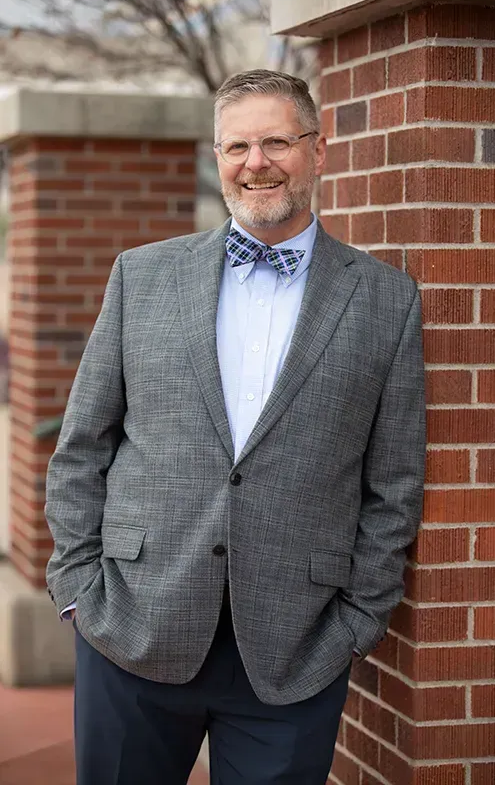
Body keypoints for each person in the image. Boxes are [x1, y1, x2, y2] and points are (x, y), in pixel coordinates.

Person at [45, 69, 426, 785]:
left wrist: (357, 620)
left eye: (277, 141)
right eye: (237, 146)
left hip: (294, 648)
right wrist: (77, 585)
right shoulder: (142, 277)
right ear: (217, 156)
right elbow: (80, 450)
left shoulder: (384, 300)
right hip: (132, 626)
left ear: (319, 150)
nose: (256, 163)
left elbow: (394, 481)